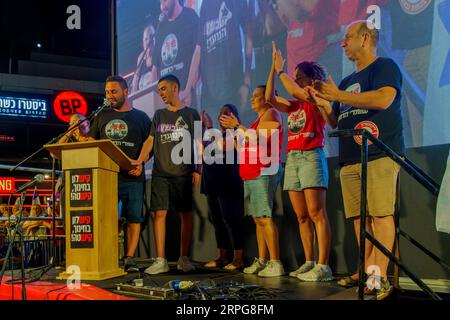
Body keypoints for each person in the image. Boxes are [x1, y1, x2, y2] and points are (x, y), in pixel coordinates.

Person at [312, 21, 405, 295]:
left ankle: (379, 278)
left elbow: (383, 99)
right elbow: (336, 123)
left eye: (348, 37)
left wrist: (338, 95)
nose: (342, 43)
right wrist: (324, 106)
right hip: (350, 159)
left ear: (365, 39)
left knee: (380, 215)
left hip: (378, 153)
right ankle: (369, 276)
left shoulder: (384, 66)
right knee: (359, 220)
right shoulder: (345, 82)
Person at [266, 42, 335, 281]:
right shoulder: (295, 104)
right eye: (294, 77)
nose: (295, 81)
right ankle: (309, 261)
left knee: (317, 213)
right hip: (293, 158)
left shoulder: (315, 97)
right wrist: (272, 69)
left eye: (299, 77)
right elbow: (270, 98)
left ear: (311, 79)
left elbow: (295, 91)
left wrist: (282, 71)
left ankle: (324, 266)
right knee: (302, 216)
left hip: (311, 156)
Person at [134, 74, 201, 275]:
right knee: (159, 214)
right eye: (159, 89)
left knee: (186, 215)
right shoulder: (159, 115)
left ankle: (183, 258)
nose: (161, 93)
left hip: (183, 172)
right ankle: (161, 259)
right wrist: (139, 161)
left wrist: (198, 169)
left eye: (163, 88)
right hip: (161, 173)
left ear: (174, 87)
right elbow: (149, 142)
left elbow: (198, 143)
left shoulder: (192, 114)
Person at [88, 75, 152, 272]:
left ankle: (130, 258)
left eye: (113, 91)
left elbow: (149, 144)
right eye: (107, 92)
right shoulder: (101, 116)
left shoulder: (141, 117)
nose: (110, 96)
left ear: (126, 91)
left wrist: (140, 163)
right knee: (108, 218)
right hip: (107, 177)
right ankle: (109, 256)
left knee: (134, 218)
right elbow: (92, 142)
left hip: (133, 176)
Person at [220, 85, 285, 277]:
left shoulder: (272, 113)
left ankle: (275, 262)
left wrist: (237, 126)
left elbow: (262, 139)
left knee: (265, 218)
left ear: (267, 98)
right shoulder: (257, 121)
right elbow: (240, 143)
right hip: (250, 174)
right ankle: (263, 260)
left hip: (263, 171)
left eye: (256, 96)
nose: (252, 99)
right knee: (258, 220)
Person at [201, 105, 244, 270]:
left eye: (227, 114)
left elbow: (221, 146)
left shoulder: (237, 133)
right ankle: (222, 256)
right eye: (221, 114)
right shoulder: (216, 135)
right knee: (217, 221)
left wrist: (210, 127)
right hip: (212, 183)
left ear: (235, 117)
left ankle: (238, 258)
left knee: (232, 221)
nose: (223, 116)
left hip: (229, 183)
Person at [197, 0, 253, 120]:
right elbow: (200, 47)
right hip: (208, 96)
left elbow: (249, 35)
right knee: (204, 137)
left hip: (232, 90)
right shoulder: (204, 5)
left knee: (235, 137)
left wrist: (246, 81)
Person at [154, 0, 200, 107]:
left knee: (197, 122)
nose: (162, 6)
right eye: (160, 3)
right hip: (168, 103)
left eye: (165, 1)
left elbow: (198, 52)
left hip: (187, 95)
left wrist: (189, 89)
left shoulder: (190, 16)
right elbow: (155, 67)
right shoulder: (160, 28)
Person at [131, 23, 158, 93]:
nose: (148, 41)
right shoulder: (141, 57)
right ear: (143, 43)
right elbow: (135, 80)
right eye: (145, 39)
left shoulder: (157, 55)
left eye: (151, 37)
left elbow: (153, 82)